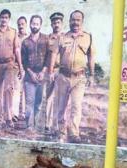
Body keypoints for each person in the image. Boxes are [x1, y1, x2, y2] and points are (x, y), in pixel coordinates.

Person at [50, 10, 95, 143]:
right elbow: (54, 54)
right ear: (69, 21)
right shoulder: (62, 37)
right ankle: (60, 132)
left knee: (76, 106)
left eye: (78, 20)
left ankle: (74, 134)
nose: (75, 22)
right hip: (63, 76)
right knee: (61, 107)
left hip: (79, 78)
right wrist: (51, 70)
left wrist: (91, 75)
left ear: (82, 22)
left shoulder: (88, 37)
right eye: (73, 20)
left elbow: (91, 57)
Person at [0, 9, 23, 126]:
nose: (4, 19)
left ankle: (9, 118)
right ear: (0, 18)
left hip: (9, 64)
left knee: (9, 90)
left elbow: (17, 50)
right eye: (2, 17)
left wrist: (21, 67)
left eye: (6, 17)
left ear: (9, 19)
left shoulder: (13, 32)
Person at [21, 15, 49, 129]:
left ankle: (36, 125)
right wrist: (31, 73)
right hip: (29, 76)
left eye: (37, 24)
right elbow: (23, 60)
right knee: (29, 103)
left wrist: (43, 72)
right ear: (30, 24)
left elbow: (48, 57)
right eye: (33, 23)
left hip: (42, 76)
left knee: (38, 103)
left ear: (40, 25)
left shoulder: (46, 39)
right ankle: (29, 126)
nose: (35, 26)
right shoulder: (25, 42)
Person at [43, 12, 64, 134]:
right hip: (51, 70)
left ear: (61, 24)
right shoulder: (48, 38)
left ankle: (58, 125)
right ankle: (48, 124)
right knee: (49, 97)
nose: (56, 24)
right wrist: (46, 71)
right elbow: (46, 57)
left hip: (62, 71)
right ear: (51, 24)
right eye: (54, 22)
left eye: (58, 22)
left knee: (61, 98)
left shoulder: (66, 37)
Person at [13, 16, 29, 120]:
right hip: (16, 67)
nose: (20, 26)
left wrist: (25, 68)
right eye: (19, 24)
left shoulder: (30, 38)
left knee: (25, 91)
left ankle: (23, 113)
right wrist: (19, 68)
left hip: (27, 68)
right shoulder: (15, 37)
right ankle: (14, 113)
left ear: (26, 25)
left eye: (22, 24)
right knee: (16, 90)